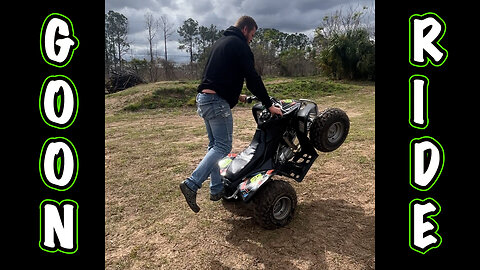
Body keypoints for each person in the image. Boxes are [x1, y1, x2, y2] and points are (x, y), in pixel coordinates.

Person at [180, 15, 282, 213]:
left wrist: (238, 96)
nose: (252, 39)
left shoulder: (222, 43)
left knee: (214, 146)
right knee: (222, 146)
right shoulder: (240, 45)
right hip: (217, 102)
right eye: (252, 34)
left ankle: (216, 188)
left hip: (204, 98)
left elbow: (218, 74)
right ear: (245, 29)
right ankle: (192, 184)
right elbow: (253, 78)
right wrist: (268, 104)